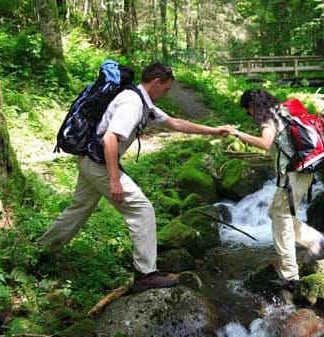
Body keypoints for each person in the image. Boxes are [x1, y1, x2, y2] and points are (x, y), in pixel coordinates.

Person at [37, 62, 229, 292]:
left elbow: (175, 123)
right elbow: (110, 138)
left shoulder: (143, 102)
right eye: (166, 89)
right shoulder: (133, 103)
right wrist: (114, 180)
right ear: (156, 82)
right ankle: (146, 274)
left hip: (90, 159)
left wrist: (214, 130)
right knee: (142, 209)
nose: (166, 94)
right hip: (99, 162)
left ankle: (41, 250)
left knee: (79, 207)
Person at [223, 89, 324, 290]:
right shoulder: (284, 111)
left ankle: (291, 276)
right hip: (304, 173)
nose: (250, 115)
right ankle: (315, 240)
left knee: (281, 222)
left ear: (253, 106)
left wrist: (238, 133)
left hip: (292, 177)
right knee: (277, 214)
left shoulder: (269, 119)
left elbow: (265, 143)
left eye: (248, 110)